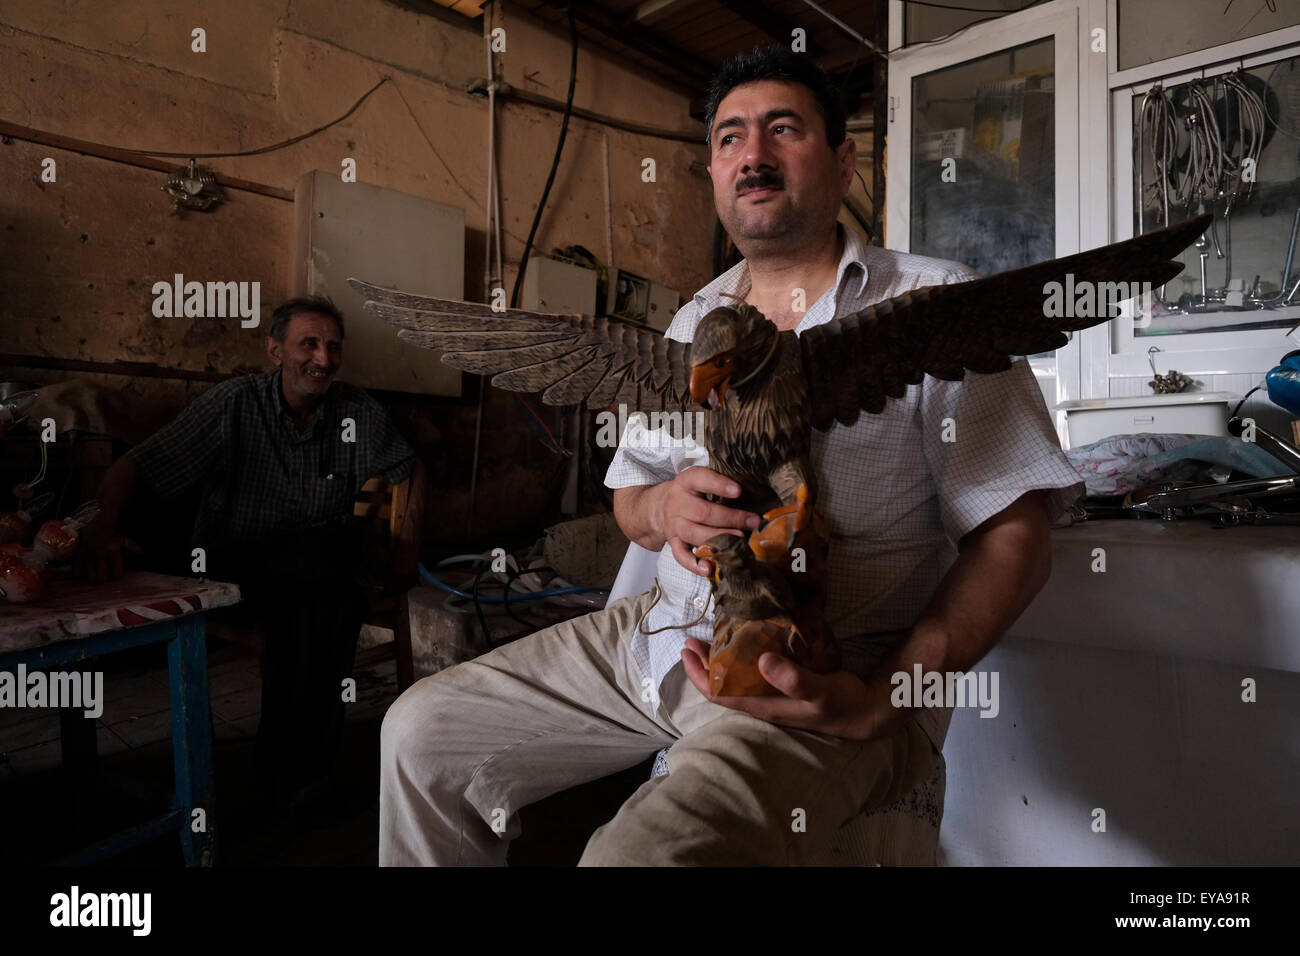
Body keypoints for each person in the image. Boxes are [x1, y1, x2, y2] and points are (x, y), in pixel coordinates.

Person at [378, 45, 1084, 865]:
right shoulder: (689, 325)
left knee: (631, 859)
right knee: (419, 734)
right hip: (656, 639)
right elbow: (630, 504)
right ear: (713, 171)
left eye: (783, 129)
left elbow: (1016, 538)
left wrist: (887, 697)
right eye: (729, 139)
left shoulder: (930, 303)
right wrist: (663, 507)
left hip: (825, 675)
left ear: (843, 157)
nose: (753, 155)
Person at [79, 295, 426, 809]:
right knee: (326, 584)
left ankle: (292, 773)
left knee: (324, 591)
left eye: (333, 347)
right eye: (308, 343)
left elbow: (410, 468)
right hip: (238, 559)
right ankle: (303, 770)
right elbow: (137, 465)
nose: (323, 359)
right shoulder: (235, 404)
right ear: (274, 350)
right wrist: (100, 526)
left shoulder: (356, 411)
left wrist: (405, 554)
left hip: (315, 568)